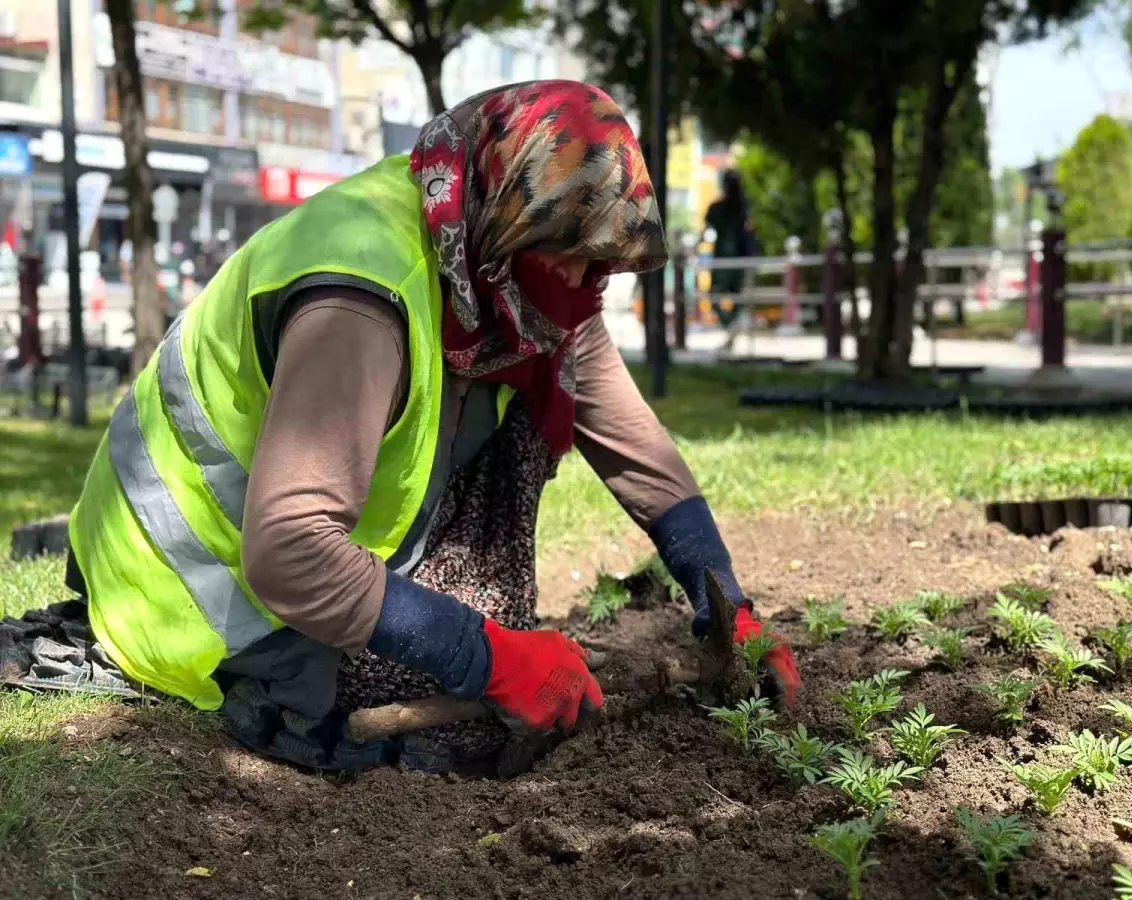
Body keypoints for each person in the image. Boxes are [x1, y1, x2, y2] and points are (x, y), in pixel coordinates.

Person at [48, 81, 799, 771]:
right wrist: (490, 660)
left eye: (602, 267)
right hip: (191, 590)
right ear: (511, 216)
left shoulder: (503, 273)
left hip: (282, 552)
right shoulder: (362, 295)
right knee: (456, 730)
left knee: (542, 388)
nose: (585, 286)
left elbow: (637, 451)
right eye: (574, 258)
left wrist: (725, 604)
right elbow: (288, 553)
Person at [703, 170, 757, 351]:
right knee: (738, 298)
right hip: (740, 259)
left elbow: (707, 229)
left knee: (716, 296)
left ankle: (730, 327)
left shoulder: (718, 209)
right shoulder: (745, 208)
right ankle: (731, 327)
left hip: (723, 261)